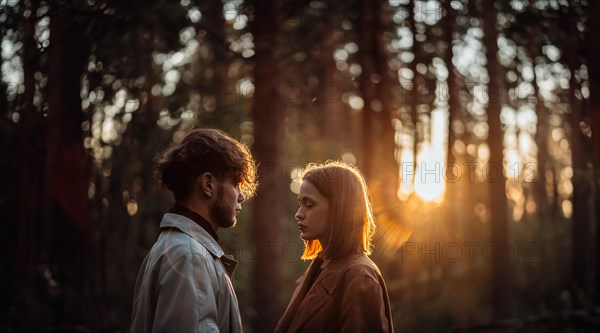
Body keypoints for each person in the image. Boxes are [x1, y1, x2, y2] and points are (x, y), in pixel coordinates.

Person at [130, 128, 257, 333]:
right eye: (235, 183)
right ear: (208, 184)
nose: (241, 196)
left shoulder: (177, 248)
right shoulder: (190, 256)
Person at [275, 161, 394, 333]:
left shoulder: (360, 276)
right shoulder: (321, 265)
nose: (298, 214)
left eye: (309, 204)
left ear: (340, 209)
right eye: (300, 203)